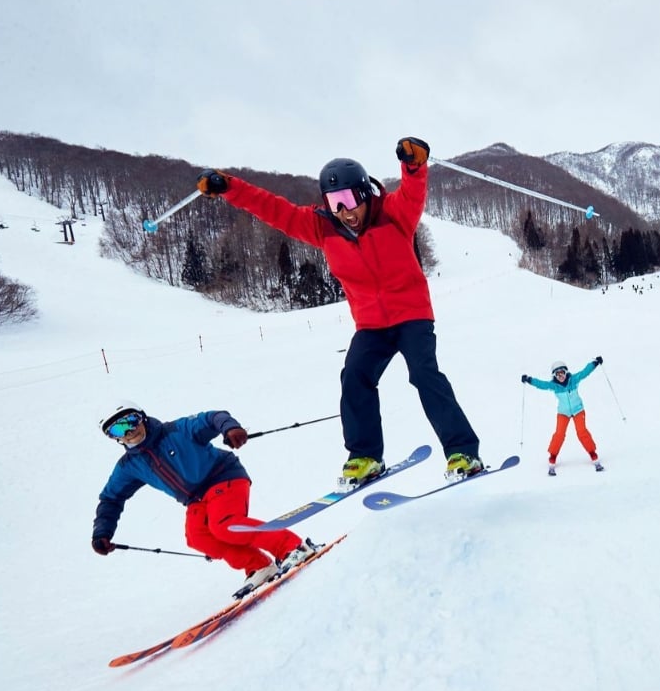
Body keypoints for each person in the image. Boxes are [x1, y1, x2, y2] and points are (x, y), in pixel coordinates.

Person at [195, 138, 484, 487]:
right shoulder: (323, 227)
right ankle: (365, 456)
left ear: (364, 193)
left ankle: (462, 451)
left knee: (424, 374)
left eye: (348, 199)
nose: (344, 210)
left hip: (412, 315)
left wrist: (413, 165)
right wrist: (229, 187)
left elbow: (413, 191)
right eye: (334, 202)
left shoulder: (393, 214)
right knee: (354, 377)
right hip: (371, 325)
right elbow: (273, 209)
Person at [91, 403, 319, 598]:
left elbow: (212, 417)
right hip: (196, 498)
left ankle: (293, 547)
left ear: (142, 417)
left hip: (223, 476)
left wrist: (230, 428)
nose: (129, 431)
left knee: (225, 525)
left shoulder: (176, 430)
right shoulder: (129, 466)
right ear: (114, 437)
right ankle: (259, 566)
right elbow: (111, 498)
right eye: (118, 429)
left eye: (131, 421)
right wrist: (102, 532)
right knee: (197, 537)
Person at [521, 358, 605, 476]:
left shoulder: (573, 380)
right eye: (558, 374)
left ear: (566, 372)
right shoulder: (554, 386)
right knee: (559, 434)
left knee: (582, 431)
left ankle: (592, 452)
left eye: (562, 373)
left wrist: (595, 363)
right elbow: (541, 384)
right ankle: (553, 455)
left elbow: (585, 372)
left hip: (578, 410)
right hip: (563, 412)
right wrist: (529, 380)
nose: (561, 376)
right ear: (554, 376)